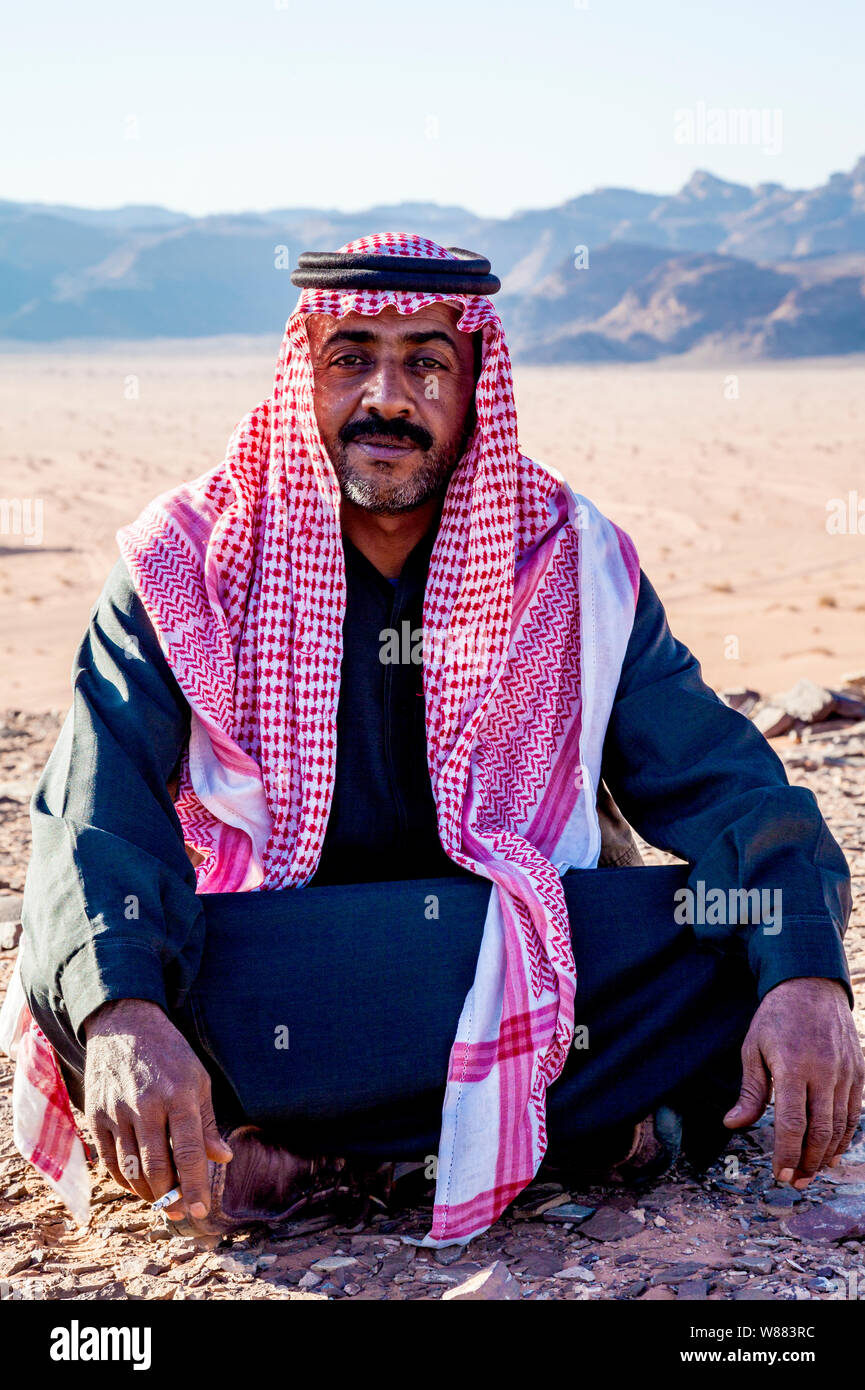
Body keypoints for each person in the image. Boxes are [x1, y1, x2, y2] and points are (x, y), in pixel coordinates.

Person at [1, 234, 860, 1249]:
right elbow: (94, 819)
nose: (388, 398)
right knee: (98, 979)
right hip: (276, 968)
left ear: (474, 381)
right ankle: (561, 1134)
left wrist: (805, 973)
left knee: (730, 947)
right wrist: (121, 1017)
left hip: (509, 954)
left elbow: (726, 786)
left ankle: (318, 1153)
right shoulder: (186, 561)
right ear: (304, 376)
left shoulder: (570, 564)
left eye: (424, 361)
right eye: (351, 356)